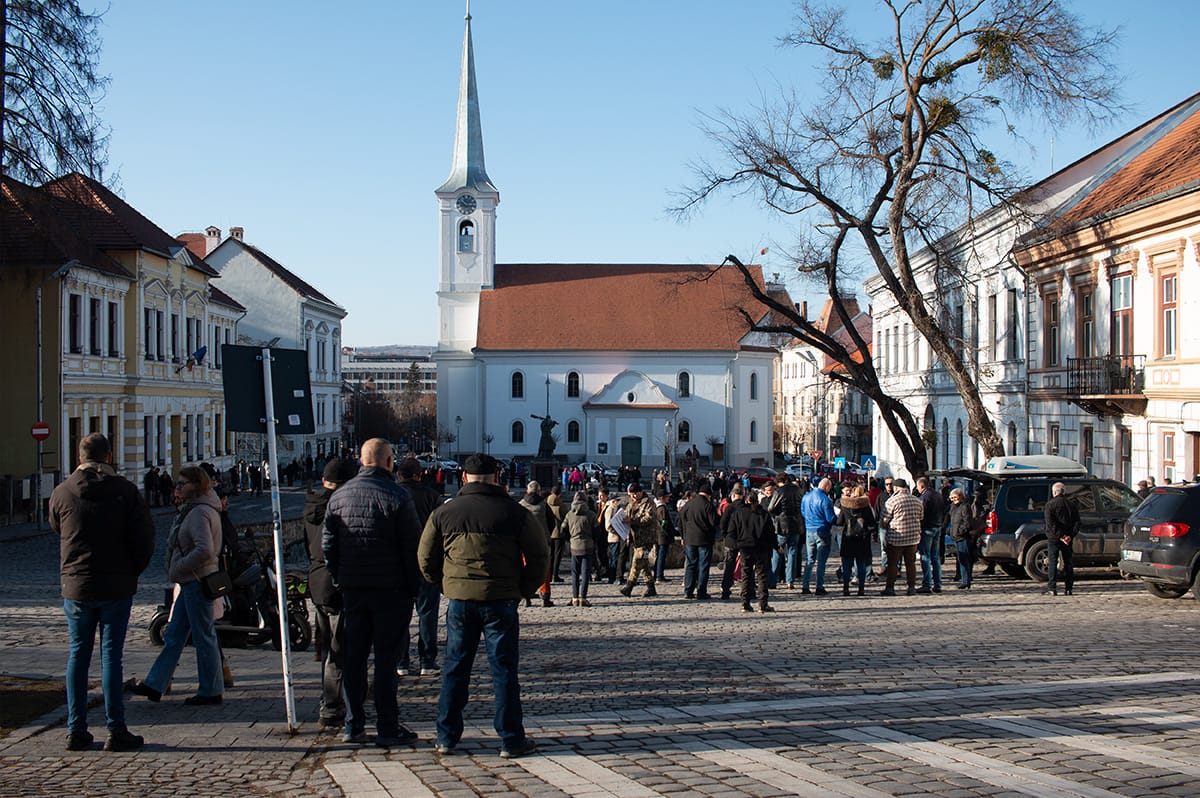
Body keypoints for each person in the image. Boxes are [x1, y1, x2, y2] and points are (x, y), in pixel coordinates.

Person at [418, 453, 549, 759]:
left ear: (464, 478)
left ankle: (446, 737)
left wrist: (446, 583)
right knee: (504, 671)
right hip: (501, 600)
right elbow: (540, 555)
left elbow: (425, 558)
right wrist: (522, 589)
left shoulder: (444, 512)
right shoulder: (514, 513)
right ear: (496, 478)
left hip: (461, 601)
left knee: (454, 669)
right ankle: (511, 738)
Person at [50, 433, 155, 752]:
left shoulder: (63, 492)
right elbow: (145, 537)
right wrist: (131, 570)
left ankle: (76, 729)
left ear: (79, 457)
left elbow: (57, 527)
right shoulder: (125, 491)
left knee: (78, 655)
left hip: (77, 585)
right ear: (109, 456)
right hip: (116, 585)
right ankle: (115, 729)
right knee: (111, 656)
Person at [322, 438, 423, 747]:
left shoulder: (339, 496)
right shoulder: (398, 495)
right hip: (391, 591)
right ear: (389, 462)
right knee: (385, 661)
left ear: (361, 461)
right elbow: (412, 548)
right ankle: (387, 725)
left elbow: (329, 547)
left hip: (354, 589)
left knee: (354, 660)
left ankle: (353, 725)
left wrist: (341, 579)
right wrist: (413, 588)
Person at [128, 465, 224, 707]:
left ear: (198, 485)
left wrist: (179, 566)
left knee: (204, 637)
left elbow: (205, 549)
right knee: (174, 635)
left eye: (182, 484)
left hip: (197, 580)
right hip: (191, 580)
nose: (177, 488)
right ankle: (155, 683)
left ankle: (211, 690)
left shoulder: (200, 512)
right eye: (177, 484)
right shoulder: (193, 510)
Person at [303, 456, 356, 730]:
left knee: (327, 645)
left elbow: (306, 545)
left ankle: (331, 697)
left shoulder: (311, 507)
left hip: (316, 580)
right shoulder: (340, 508)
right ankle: (332, 706)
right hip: (336, 582)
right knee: (338, 648)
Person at [395, 457, 446, 678]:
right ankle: (427, 660)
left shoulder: (392, 494)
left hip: (398, 563)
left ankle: (401, 662)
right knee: (427, 614)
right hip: (426, 563)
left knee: (400, 615)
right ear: (420, 474)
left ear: (399, 474)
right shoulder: (431, 496)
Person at [730, 490, 776, 613]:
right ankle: (763, 604)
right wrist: (776, 546)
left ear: (746, 500)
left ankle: (745, 603)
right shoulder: (763, 514)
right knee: (762, 577)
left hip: (745, 548)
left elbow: (732, 532)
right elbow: (770, 533)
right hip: (761, 548)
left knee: (746, 575)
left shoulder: (739, 513)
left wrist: (736, 545)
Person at [879, 478, 923, 596]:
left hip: (896, 537)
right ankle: (911, 587)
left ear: (896, 488)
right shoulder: (917, 500)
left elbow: (884, 520)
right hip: (913, 537)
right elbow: (921, 516)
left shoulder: (892, 501)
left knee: (893, 563)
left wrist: (883, 526)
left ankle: (890, 587)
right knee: (910, 563)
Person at [678, 483, 719, 600]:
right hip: (704, 540)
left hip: (690, 539)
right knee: (703, 566)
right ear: (709, 495)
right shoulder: (708, 505)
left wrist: (683, 535)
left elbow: (681, 520)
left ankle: (688, 590)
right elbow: (713, 522)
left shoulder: (689, 504)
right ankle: (701, 591)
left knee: (690, 565)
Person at [519, 481, 556, 607]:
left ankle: (526, 597)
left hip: (524, 541)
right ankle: (545, 596)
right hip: (542, 541)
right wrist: (547, 535)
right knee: (545, 569)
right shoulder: (544, 506)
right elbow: (552, 523)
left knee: (524, 569)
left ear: (527, 491)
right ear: (539, 491)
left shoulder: (520, 505)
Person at [834, 485, 876, 596]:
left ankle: (846, 588)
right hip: (862, 538)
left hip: (848, 538)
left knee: (847, 565)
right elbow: (872, 522)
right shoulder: (865, 506)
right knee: (861, 564)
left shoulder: (845, 505)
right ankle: (861, 589)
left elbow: (839, 522)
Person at [619, 483, 658, 597]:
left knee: (637, 560)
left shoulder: (649, 503)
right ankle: (651, 588)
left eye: (636, 493)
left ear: (641, 492)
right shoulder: (631, 503)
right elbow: (627, 514)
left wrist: (632, 520)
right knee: (644, 563)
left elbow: (649, 518)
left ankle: (629, 586)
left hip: (646, 539)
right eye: (632, 494)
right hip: (635, 538)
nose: (634, 496)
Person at [766, 473, 805, 589]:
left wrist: (777, 514)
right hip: (796, 523)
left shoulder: (779, 491)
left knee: (777, 551)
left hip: (782, 525)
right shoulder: (798, 490)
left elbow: (771, 508)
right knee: (793, 553)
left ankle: (773, 580)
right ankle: (790, 581)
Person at [800, 478, 837, 595]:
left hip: (809, 529)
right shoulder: (825, 500)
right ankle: (819, 586)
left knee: (809, 560)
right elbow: (830, 518)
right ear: (826, 487)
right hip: (823, 531)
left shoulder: (806, 497)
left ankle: (805, 586)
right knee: (821, 561)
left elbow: (803, 512)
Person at [1043, 481, 1080, 596]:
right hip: (1067, 537)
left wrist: (1060, 536)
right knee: (1068, 562)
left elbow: (1050, 524)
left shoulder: (1050, 505)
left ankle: (1052, 588)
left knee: (1053, 562)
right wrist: (1069, 536)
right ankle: (1069, 588)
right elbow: (1077, 523)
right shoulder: (1071, 505)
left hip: (1054, 538)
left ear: (1054, 492)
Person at [564, 490, 597, 605]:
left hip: (574, 546)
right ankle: (583, 597)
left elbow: (563, 529)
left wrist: (570, 539)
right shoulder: (591, 514)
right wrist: (593, 540)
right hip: (588, 545)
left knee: (574, 573)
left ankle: (574, 597)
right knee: (585, 573)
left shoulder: (569, 514)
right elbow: (597, 530)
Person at [915, 476, 946, 594]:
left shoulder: (924, 497)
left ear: (921, 486)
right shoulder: (938, 495)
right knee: (935, 557)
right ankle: (938, 584)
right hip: (937, 526)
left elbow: (922, 515)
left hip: (928, 528)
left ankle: (927, 584)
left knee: (925, 556)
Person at [947, 488, 976, 589]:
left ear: (960, 496)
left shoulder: (965, 507)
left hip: (962, 537)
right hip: (956, 536)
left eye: (955, 497)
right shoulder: (953, 507)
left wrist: (960, 532)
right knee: (961, 559)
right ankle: (964, 579)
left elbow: (967, 522)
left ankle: (966, 581)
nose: (954, 499)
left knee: (964, 559)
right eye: (952, 498)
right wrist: (950, 532)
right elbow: (951, 520)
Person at [653, 488, 676, 584]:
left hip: (658, 535)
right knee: (661, 556)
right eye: (667, 497)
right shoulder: (662, 508)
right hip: (662, 536)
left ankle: (657, 575)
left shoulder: (656, 506)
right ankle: (659, 576)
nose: (669, 498)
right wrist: (668, 532)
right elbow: (664, 522)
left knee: (659, 555)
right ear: (661, 498)